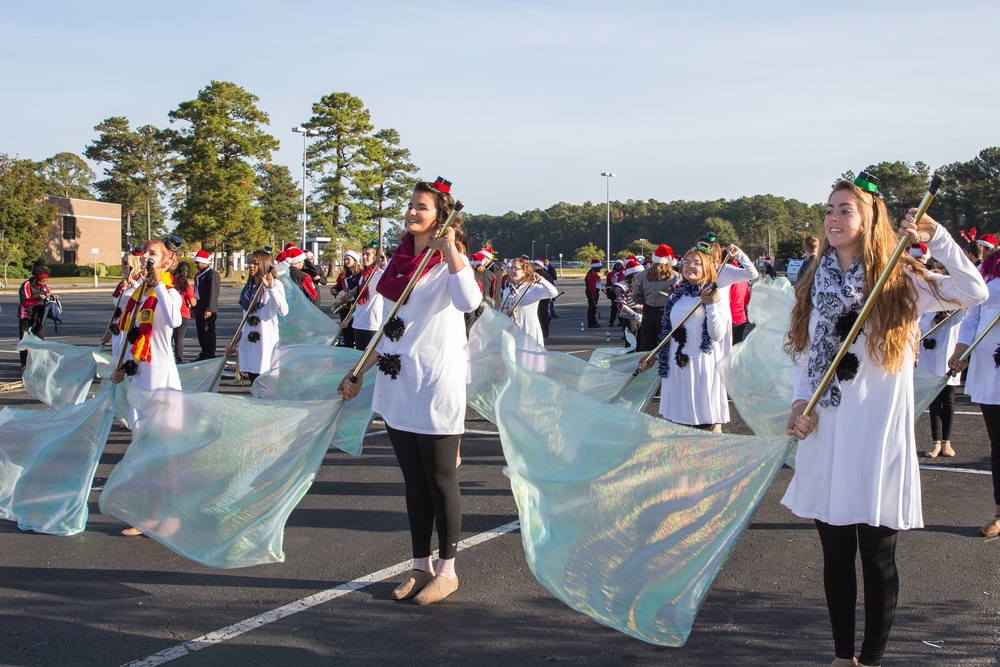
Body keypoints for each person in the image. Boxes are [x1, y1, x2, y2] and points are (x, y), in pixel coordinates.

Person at [783, 178, 987, 667]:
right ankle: (840, 657)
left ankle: (871, 659)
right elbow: (805, 353)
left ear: (869, 218)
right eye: (829, 209)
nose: (833, 218)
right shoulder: (813, 279)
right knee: (835, 558)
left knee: (876, 558)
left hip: (876, 435)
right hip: (827, 430)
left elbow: (973, 291)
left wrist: (935, 239)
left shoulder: (902, 280)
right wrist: (797, 404)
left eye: (845, 209)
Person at [338, 179, 481, 606]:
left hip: (437, 383)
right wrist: (358, 372)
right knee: (414, 482)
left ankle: (448, 571)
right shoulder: (395, 265)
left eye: (423, 206)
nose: (413, 212)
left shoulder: (447, 265)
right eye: (411, 206)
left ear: (441, 216)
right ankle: (420, 567)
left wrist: (449, 249)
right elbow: (384, 328)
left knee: (441, 479)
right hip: (398, 382)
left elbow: (469, 300)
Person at [636, 246, 730, 432]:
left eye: (697, 263)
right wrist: (653, 357)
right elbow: (668, 334)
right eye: (686, 262)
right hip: (677, 367)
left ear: (706, 268)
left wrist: (710, 305)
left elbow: (716, 335)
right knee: (679, 425)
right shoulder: (676, 296)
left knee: (702, 424)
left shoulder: (715, 295)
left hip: (701, 366)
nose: (690, 266)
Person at [949, 250, 1000, 537]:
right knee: (998, 444)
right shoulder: (988, 268)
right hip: (990, 368)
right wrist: (961, 351)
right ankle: (999, 513)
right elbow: (972, 317)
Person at [916, 262, 962, 458]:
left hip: (948, 358)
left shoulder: (956, 310)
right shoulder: (926, 309)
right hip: (929, 360)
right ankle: (935, 442)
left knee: (949, 400)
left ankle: (947, 441)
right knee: (934, 401)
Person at [227, 250, 288, 384]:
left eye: (255, 263)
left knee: (266, 384)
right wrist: (233, 342)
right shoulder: (248, 288)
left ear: (264, 265)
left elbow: (284, 310)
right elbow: (244, 321)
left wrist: (271, 289)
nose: (251, 266)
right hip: (249, 343)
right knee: (254, 382)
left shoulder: (276, 285)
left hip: (266, 343)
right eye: (250, 262)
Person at [500, 257, 558, 347]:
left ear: (525, 271)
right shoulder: (507, 291)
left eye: (516, 268)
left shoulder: (533, 288)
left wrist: (541, 280)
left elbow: (554, 293)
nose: (512, 271)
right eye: (511, 268)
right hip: (512, 333)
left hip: (529, 332)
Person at [632, 244, 680, 352]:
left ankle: (645, 366)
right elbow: (679, 296)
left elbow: (635, 296)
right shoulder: (675, 276)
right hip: (666, 312)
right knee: (664, 345)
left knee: (646, 345)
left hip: (648, 312)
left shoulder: (642, 275)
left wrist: (645, 300)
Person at [18, 267, 55, 370]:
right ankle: (25, 364)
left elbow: (48, 294)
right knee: (25, 341)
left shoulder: (44, 286)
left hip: (40, 316)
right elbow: (24, 302)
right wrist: (37, 298)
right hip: (27, 316)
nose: (44, 282)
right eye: (42, 280)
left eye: (45, 280)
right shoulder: (26, 285)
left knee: (40, 341)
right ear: (35, 278)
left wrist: (52, 297)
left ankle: (38, 364)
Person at [351, 242, 384, 350]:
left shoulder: (380, 275)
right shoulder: (363, 275)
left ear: (375, 257)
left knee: (370, 359)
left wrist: (384, 265)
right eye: (363, 254)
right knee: (359, 357)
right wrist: (351, 317)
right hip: (358, 323)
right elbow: (360, 301)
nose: (364, 257)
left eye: (368, 254)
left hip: (372, 324)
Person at [331, 249, 363, 348]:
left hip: (357, 305)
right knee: (346, 331)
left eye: (348, 259)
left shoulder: (361, 274)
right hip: (346, 306)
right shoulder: (343, 275)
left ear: (355, 260)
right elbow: (338, 286)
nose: (346, 262)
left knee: (356, 330)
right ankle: (348, 348)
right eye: (345, 259)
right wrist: (334, 290)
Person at [192, 250, 220, 360]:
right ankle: (204, 352)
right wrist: (194, 308)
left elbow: (214, 293)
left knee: (208, 331)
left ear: (204, 262)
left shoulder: (212, 274)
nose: (196, 265)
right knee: (200, 331)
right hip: (199, 307)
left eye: (198, 262)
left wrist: (209, 308)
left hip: (208, 309)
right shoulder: (198, 275)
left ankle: (210, 353)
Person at [171, 262, 197, 364]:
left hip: (169, 312)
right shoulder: (186, 284)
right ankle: (179, 360)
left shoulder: (169, 282)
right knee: (179, 338)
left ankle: (166, 358)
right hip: (182, 313)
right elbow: (193, 302)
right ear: (186, 273)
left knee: (168, 337)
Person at [585, 259, 603, 328]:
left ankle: (593, 321)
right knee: (592, 308)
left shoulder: (593, 273)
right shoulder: (592, 274)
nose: (600, 269)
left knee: (593, 308)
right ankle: (591, 322)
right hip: (592, 293)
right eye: (599, 267)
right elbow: (592, 286)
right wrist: (594, 294)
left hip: (594, 292)